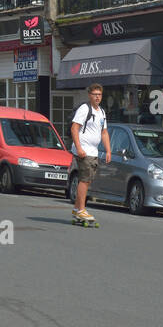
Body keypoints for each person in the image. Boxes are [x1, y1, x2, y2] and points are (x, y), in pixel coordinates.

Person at [70, 83, 111, 225]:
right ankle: (81, 209)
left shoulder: (102, 112)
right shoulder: (84, 109)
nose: (97, 97)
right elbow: (74, 128)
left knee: (87, 180)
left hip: (93, 151)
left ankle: (77, 209)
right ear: (89, 95)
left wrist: (108, 150)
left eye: (99, 94)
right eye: (94, 94)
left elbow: (104, 132)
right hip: (84, 150)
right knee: (85, 180)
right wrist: (79, 147)